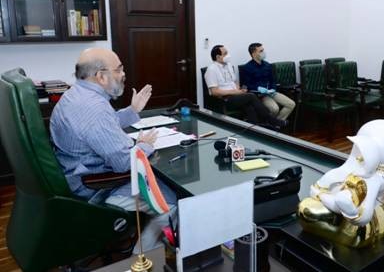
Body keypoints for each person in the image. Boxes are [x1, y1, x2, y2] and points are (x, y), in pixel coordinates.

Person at [50, 47, 176, 251]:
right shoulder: (94, 108)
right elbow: (124, 162)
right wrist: (144, 145)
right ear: (101, 76)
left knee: (160, 182)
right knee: (171, 204)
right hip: (96, 187)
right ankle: (141, 261)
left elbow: (100, 126)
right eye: (119, 69)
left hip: (75, 175)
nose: (123, 74)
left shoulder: (78, 94)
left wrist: (132, 111)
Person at [204, 45, 287, 128]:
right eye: (225, 53)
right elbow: (214, 92)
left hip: (236, 96)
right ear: (218, 57)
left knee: (249, 106)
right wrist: (235, 92)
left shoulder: (228, 65)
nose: (228, 55)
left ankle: (256, 129)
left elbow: (234, 82)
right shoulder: (212, 70)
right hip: (225, 99)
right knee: (251, 96)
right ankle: (270, 120)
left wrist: (240, 90)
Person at [242, 43, 296, 121]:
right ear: (253, 53)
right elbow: (246, 85)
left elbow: (272, 80)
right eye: (261, 51)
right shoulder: (247, 68)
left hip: (271, 92)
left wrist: (273, 89)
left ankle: (276, 124)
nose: (263, 52)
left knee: (291, 104)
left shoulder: (267, 65)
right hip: (260, 95)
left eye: (263, 50)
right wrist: (259, 89)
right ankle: (273, 124)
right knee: (274, 109)